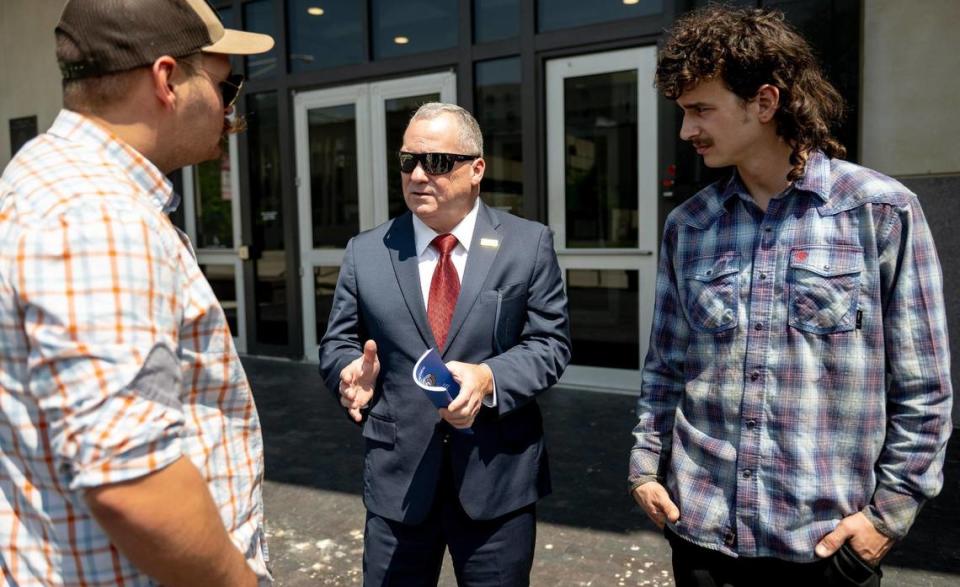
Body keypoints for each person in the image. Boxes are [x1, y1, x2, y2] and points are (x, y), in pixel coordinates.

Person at [628, 6, 952, 587]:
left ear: (765, 102)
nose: (686, 131)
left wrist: (889, 516)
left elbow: (924, 387)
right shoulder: (690, 225)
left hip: (825, 545)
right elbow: (665, 368)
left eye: (701, 110)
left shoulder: (879, 211)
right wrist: (646, 470)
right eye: (683, 112)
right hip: (703, 533)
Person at [0, 1, 274, 585]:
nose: (230, 112)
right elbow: (133, 481)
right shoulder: (98, 214)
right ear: (167, 78)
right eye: (227, 87)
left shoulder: (43, 179)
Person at [319, 102, 571, 586]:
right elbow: (338, 344)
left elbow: (550, 344)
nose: (417, 174)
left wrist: (488, 377)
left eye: (434, 162)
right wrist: (348, 373)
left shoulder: (527, 244)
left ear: (476, 168)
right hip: (400, 482)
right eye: (407, 161)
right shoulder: (367, 251)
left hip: (497, 479)